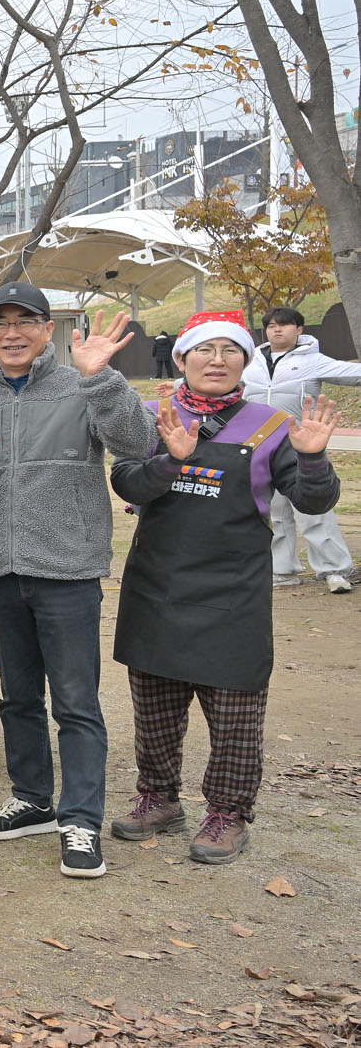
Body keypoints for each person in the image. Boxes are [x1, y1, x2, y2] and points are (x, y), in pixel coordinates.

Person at [109, 311, 341, 865]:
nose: (217, 360)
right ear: (181, 358)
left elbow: (313, 501)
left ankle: (228, 812)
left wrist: (312, 457)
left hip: (233, 593)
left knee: (236, 712)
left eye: (230, 350)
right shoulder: (153, 416)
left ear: (246, 362)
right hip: (158, 587)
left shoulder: (272, 424)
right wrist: (170, 460)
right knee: (155, 706)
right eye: (204, 350)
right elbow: (126, 481)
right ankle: (158, 797)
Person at [0, 283, 155, 879]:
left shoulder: (83, 386)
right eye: (0, 323)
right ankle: (33, 798)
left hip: (68, 570)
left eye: (26, 321)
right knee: (18, 697)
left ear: (46, 329)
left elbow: (139, 444)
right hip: (0, 571)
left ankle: (81, 820)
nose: (12, 333)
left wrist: (102, 378)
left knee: (76, 703)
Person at [245, 306, 361, 592]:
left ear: (299, 330)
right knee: (272, 511)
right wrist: (178, 384)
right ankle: (281, 570)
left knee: (314, 510)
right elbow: (221, 378)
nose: (277, 329)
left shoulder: (313, 360)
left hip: (300, 445)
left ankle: (334, 569)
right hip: (259, 447)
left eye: (284, 324)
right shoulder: (251, 361)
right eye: (271, 325)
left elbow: (353, 373)